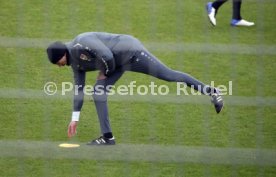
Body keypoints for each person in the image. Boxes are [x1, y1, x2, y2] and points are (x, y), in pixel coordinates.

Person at [46, 32, 224, 145]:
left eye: (57, 62)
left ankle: (211, 92)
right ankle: (108, 138)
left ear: (62, 55)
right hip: (116, 63)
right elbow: (79, 89)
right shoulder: (75, 65)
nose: (59, 66)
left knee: (168, 75)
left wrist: (105, 73)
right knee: (98, 93)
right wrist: (74, 118)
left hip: (132, 52)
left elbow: (107, 55)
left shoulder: (81, 42)